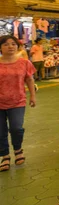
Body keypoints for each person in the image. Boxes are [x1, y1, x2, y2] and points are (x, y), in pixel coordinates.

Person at [0, 35, 36, 172]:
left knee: (16, 128)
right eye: (6, 44)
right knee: (0, 131)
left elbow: (30, 80)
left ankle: (18, 149)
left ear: (17, 46)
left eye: (13, 44)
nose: (10, 47)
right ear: (0, 48)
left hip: (17, 101)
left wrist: (33, 96)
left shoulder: (24, 63)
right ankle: (4, 155)